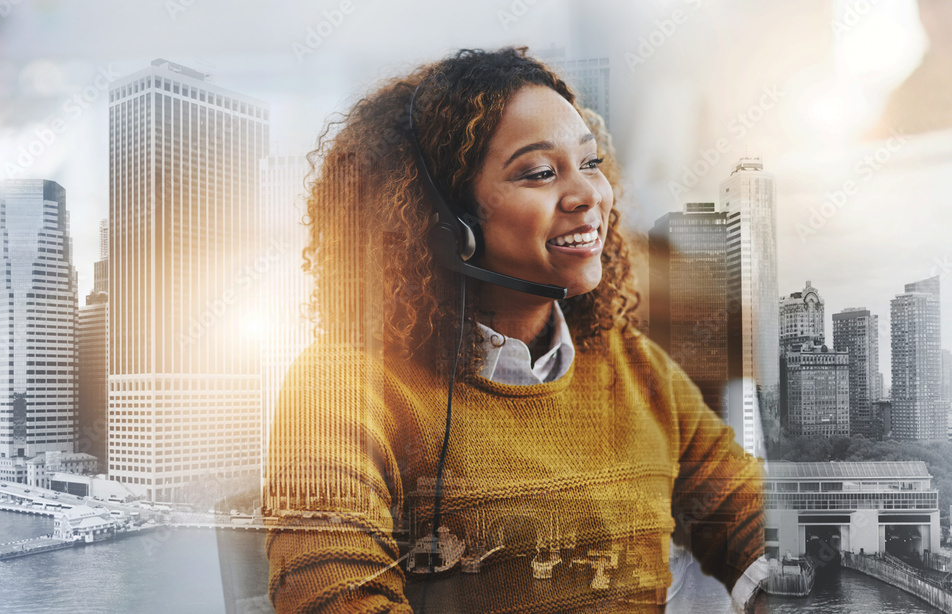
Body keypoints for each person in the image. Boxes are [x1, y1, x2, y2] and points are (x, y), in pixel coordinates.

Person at [263, 47, 766, 613]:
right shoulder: (338, 388)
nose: (589, 197)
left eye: (590, 163)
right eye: (540, 173)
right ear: (447, 223)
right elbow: (332, 598)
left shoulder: (632, 362)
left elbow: (746, 514)